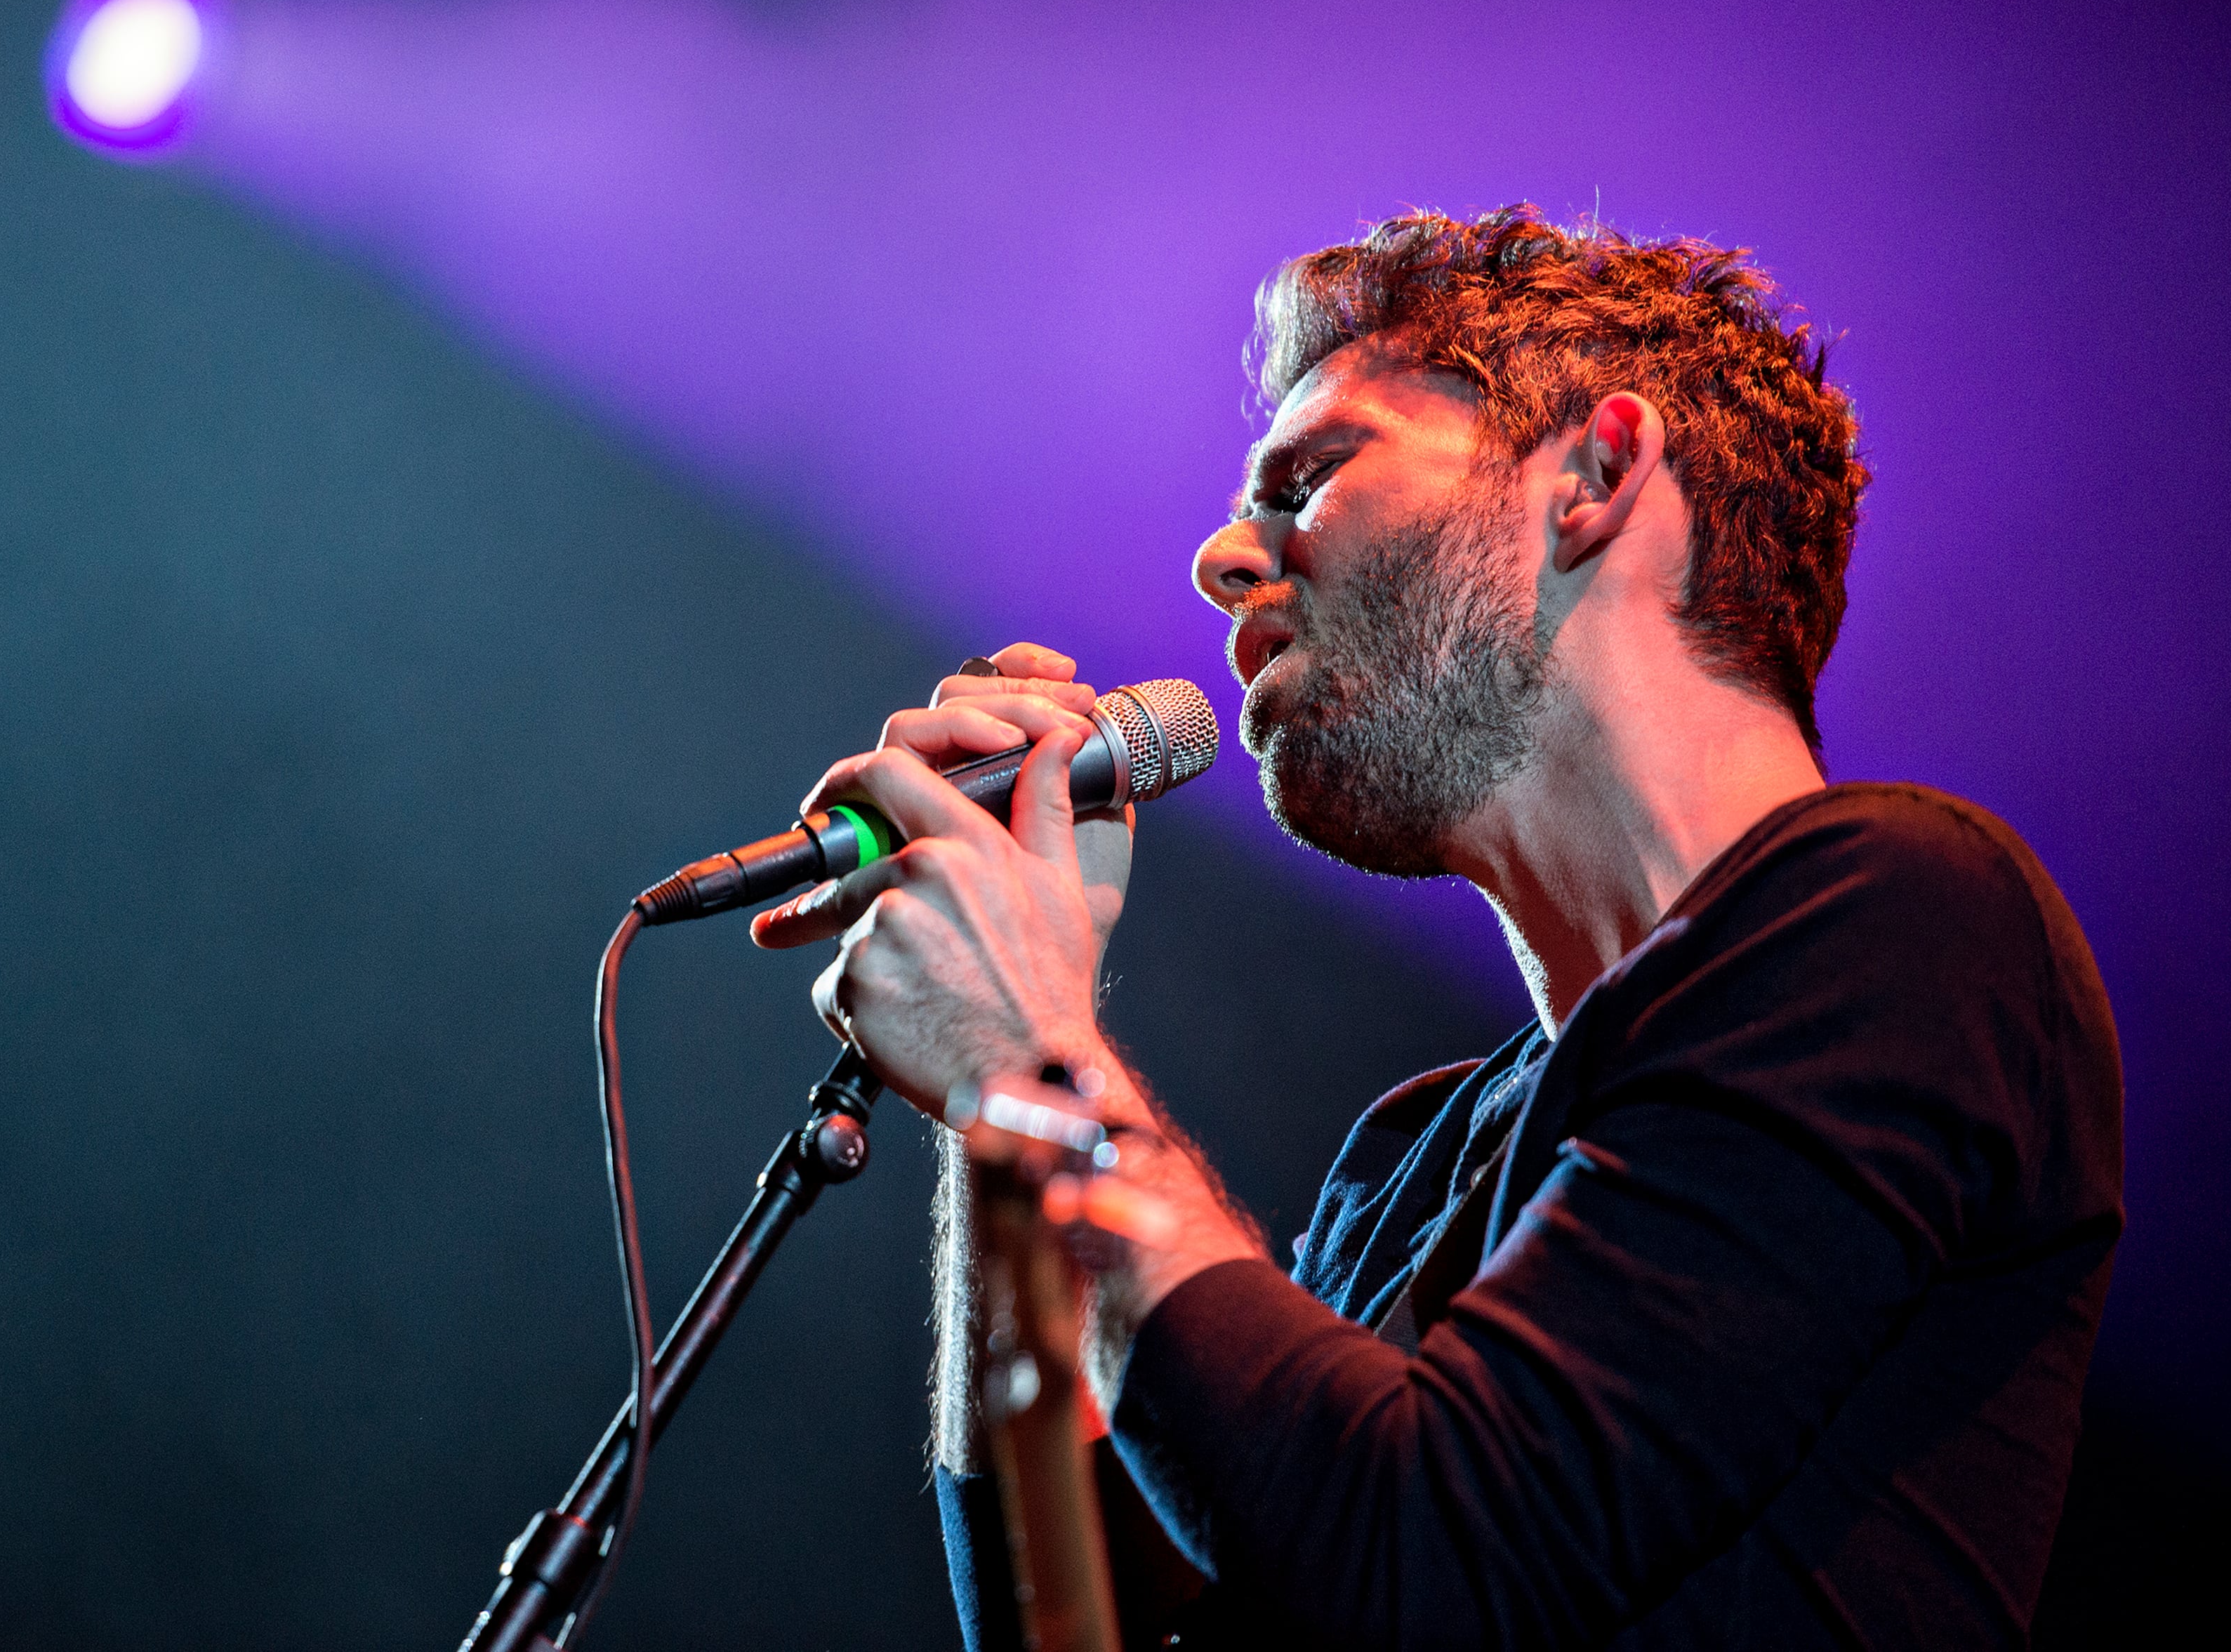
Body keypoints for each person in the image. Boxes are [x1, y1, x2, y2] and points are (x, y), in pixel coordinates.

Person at [748, 207, 2122, 1648]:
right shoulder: (1419, 1161)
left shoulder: (1903, 922)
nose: (1224, 556)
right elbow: (1073, 1627)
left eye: (1310, 474)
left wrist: (1030, 1058)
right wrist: (1006, 1116)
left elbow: (1440, 1563)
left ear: (1595, 473)